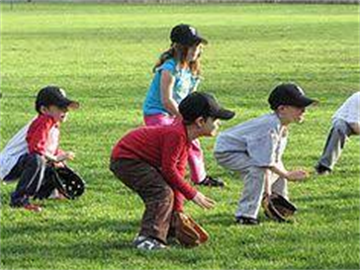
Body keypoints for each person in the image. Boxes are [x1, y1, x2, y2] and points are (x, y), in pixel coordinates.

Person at [110, 92, 235, 250]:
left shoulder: (185, 137)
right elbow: (169, 170)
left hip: (136, 159)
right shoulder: (176, 135)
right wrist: (193, 194)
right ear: (200, 121)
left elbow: (177, 173)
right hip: (126, 159)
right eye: (215, 120)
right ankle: (147, 239)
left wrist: (179, 211)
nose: (218, 124)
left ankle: (168, 230)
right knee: (160, 192)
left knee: (166, 190)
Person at [214, 83, 317, 225]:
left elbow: (274, 159)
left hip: (245, 150)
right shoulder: (269, 127)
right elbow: (264, 163)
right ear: (282, 109)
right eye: (299, 107)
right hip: (227, 151)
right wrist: (287, 175)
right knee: (257, 171)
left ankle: (279, 203)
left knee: (278, 168)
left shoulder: (282, 126)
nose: (304, 110)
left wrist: (278, 179)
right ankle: (245, 215)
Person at [142, 23, 223, 187]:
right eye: (191, 48)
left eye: (198, 47)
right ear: (178, 48)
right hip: (158, 113)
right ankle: (159, 174)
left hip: (179, 113)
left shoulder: (192, 70)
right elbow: (166, 100)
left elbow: (191, 98)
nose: (196, 51)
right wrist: (184, 118)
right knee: (168, 142)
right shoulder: (169, 68)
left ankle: (200, 177)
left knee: (193, 140)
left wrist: (192, 118)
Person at [0, 86, 79, 212]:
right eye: (60, 107)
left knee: (53, 165)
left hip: (20, 162)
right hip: (9, 164)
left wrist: (60, 160)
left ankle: (46, 194)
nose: (65, 111)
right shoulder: (44, 121)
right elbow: (36, 148)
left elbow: (50, 150)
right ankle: (19, 200)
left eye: (66, 107)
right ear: (44, 109)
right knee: (37, 160)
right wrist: (56, 158)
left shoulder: (53, 125)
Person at [315, 92, 360, 175]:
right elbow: (354, 124)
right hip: (346, 121)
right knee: (339, 128)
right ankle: (324, 166)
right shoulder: (358, 98)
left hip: (355, 122)